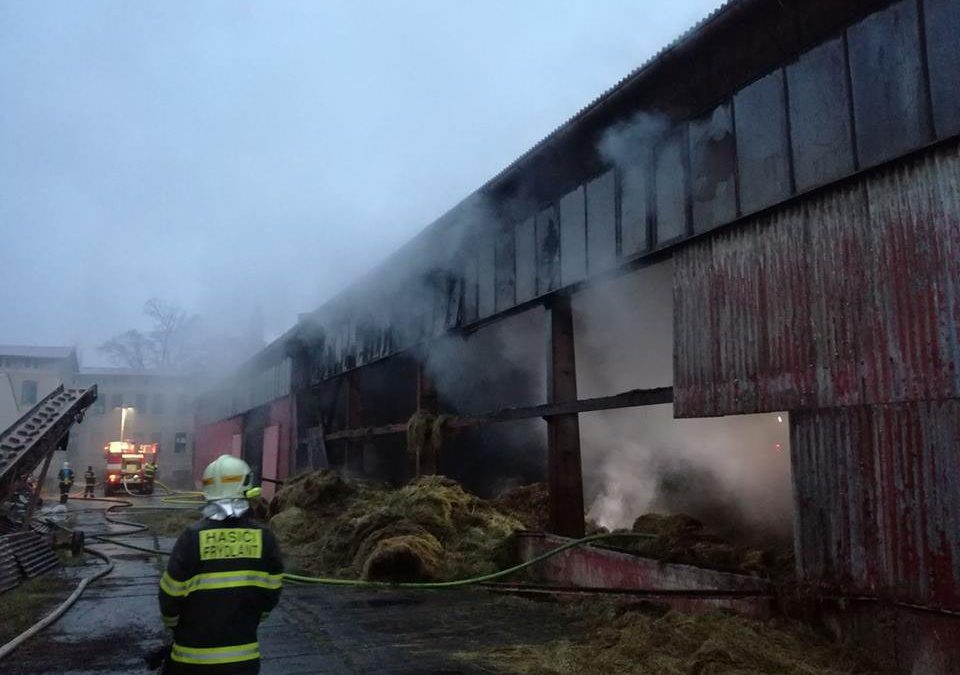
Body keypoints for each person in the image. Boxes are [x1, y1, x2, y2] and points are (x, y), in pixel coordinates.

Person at [157, 455, 283, 674]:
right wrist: (252, 618)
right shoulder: (264, 538)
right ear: (247, 489)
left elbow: (169, 596)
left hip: (190, 660)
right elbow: (271, 594)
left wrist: (174, 626)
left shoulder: (191, 537)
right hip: (244, 660)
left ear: (208, 493)